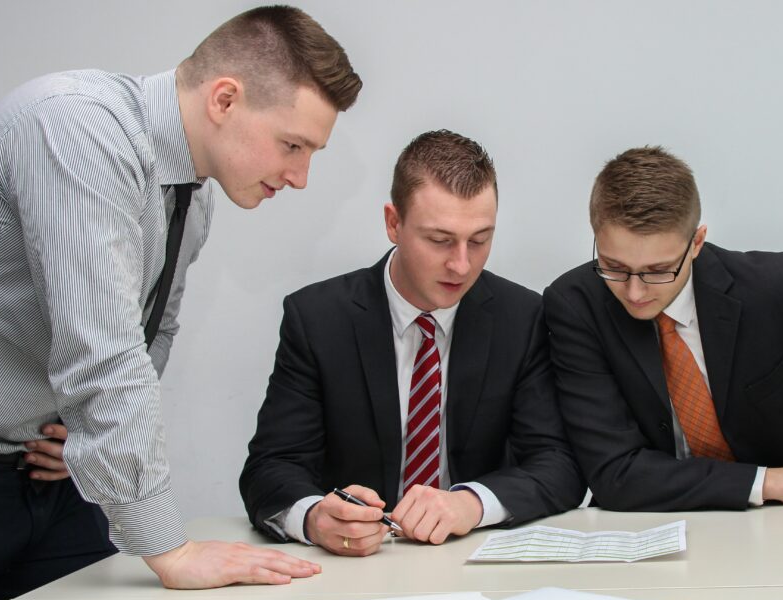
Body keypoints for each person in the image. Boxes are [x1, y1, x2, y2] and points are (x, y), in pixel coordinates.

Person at [0, 6, 363, 600]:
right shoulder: (76, 127)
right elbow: (103, 353)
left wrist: (85, 439)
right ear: (224, 99)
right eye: (292, 145)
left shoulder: (191, 195)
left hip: (46, 478)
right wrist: (170, 547)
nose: (301, 176)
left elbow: (152, 332)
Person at [239, 130, 585, 555]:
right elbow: (271, 467)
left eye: (479, 240)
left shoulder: (521, 318)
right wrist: (315, 518)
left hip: (470, 560)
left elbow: (559, 465)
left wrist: (470, 503)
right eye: (439, 240)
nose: (461, 264)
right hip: (354, 568)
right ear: (393, 223)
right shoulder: (317, 319)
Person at [543, 146, 783, 512]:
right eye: (613, 266)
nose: (634, 292)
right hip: (654, 526)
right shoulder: (575, 305)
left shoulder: (778, 288)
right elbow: (614, 473)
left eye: (658, 270)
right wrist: (771, 481)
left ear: (696, 242)